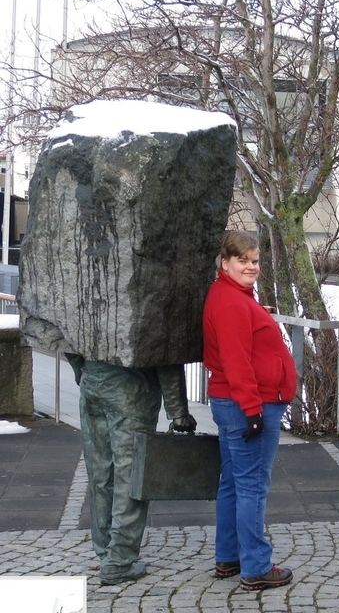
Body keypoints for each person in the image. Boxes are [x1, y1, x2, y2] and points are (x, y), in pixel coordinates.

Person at [202, 230, 298, 591]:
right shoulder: (230, 302)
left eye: (255, 261)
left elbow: (242, 340)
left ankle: (229, 556)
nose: (251, 266)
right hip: (247, 404)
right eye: (242, 260)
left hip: (235, 402)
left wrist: (258, 313)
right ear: (225, 263)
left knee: (234, 483)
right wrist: (254, 410)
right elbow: (236, 360)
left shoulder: (235, 297)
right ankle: (256, 566)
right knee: (252, 487)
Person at [66, 356, 195, 586]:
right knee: (130, 476)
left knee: (100, 472)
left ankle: (105, 549)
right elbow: (165, 350)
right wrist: (178, 411)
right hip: (132, 390)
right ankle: (118, 560)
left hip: (93, 383)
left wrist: (82, 370)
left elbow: (65, 331)